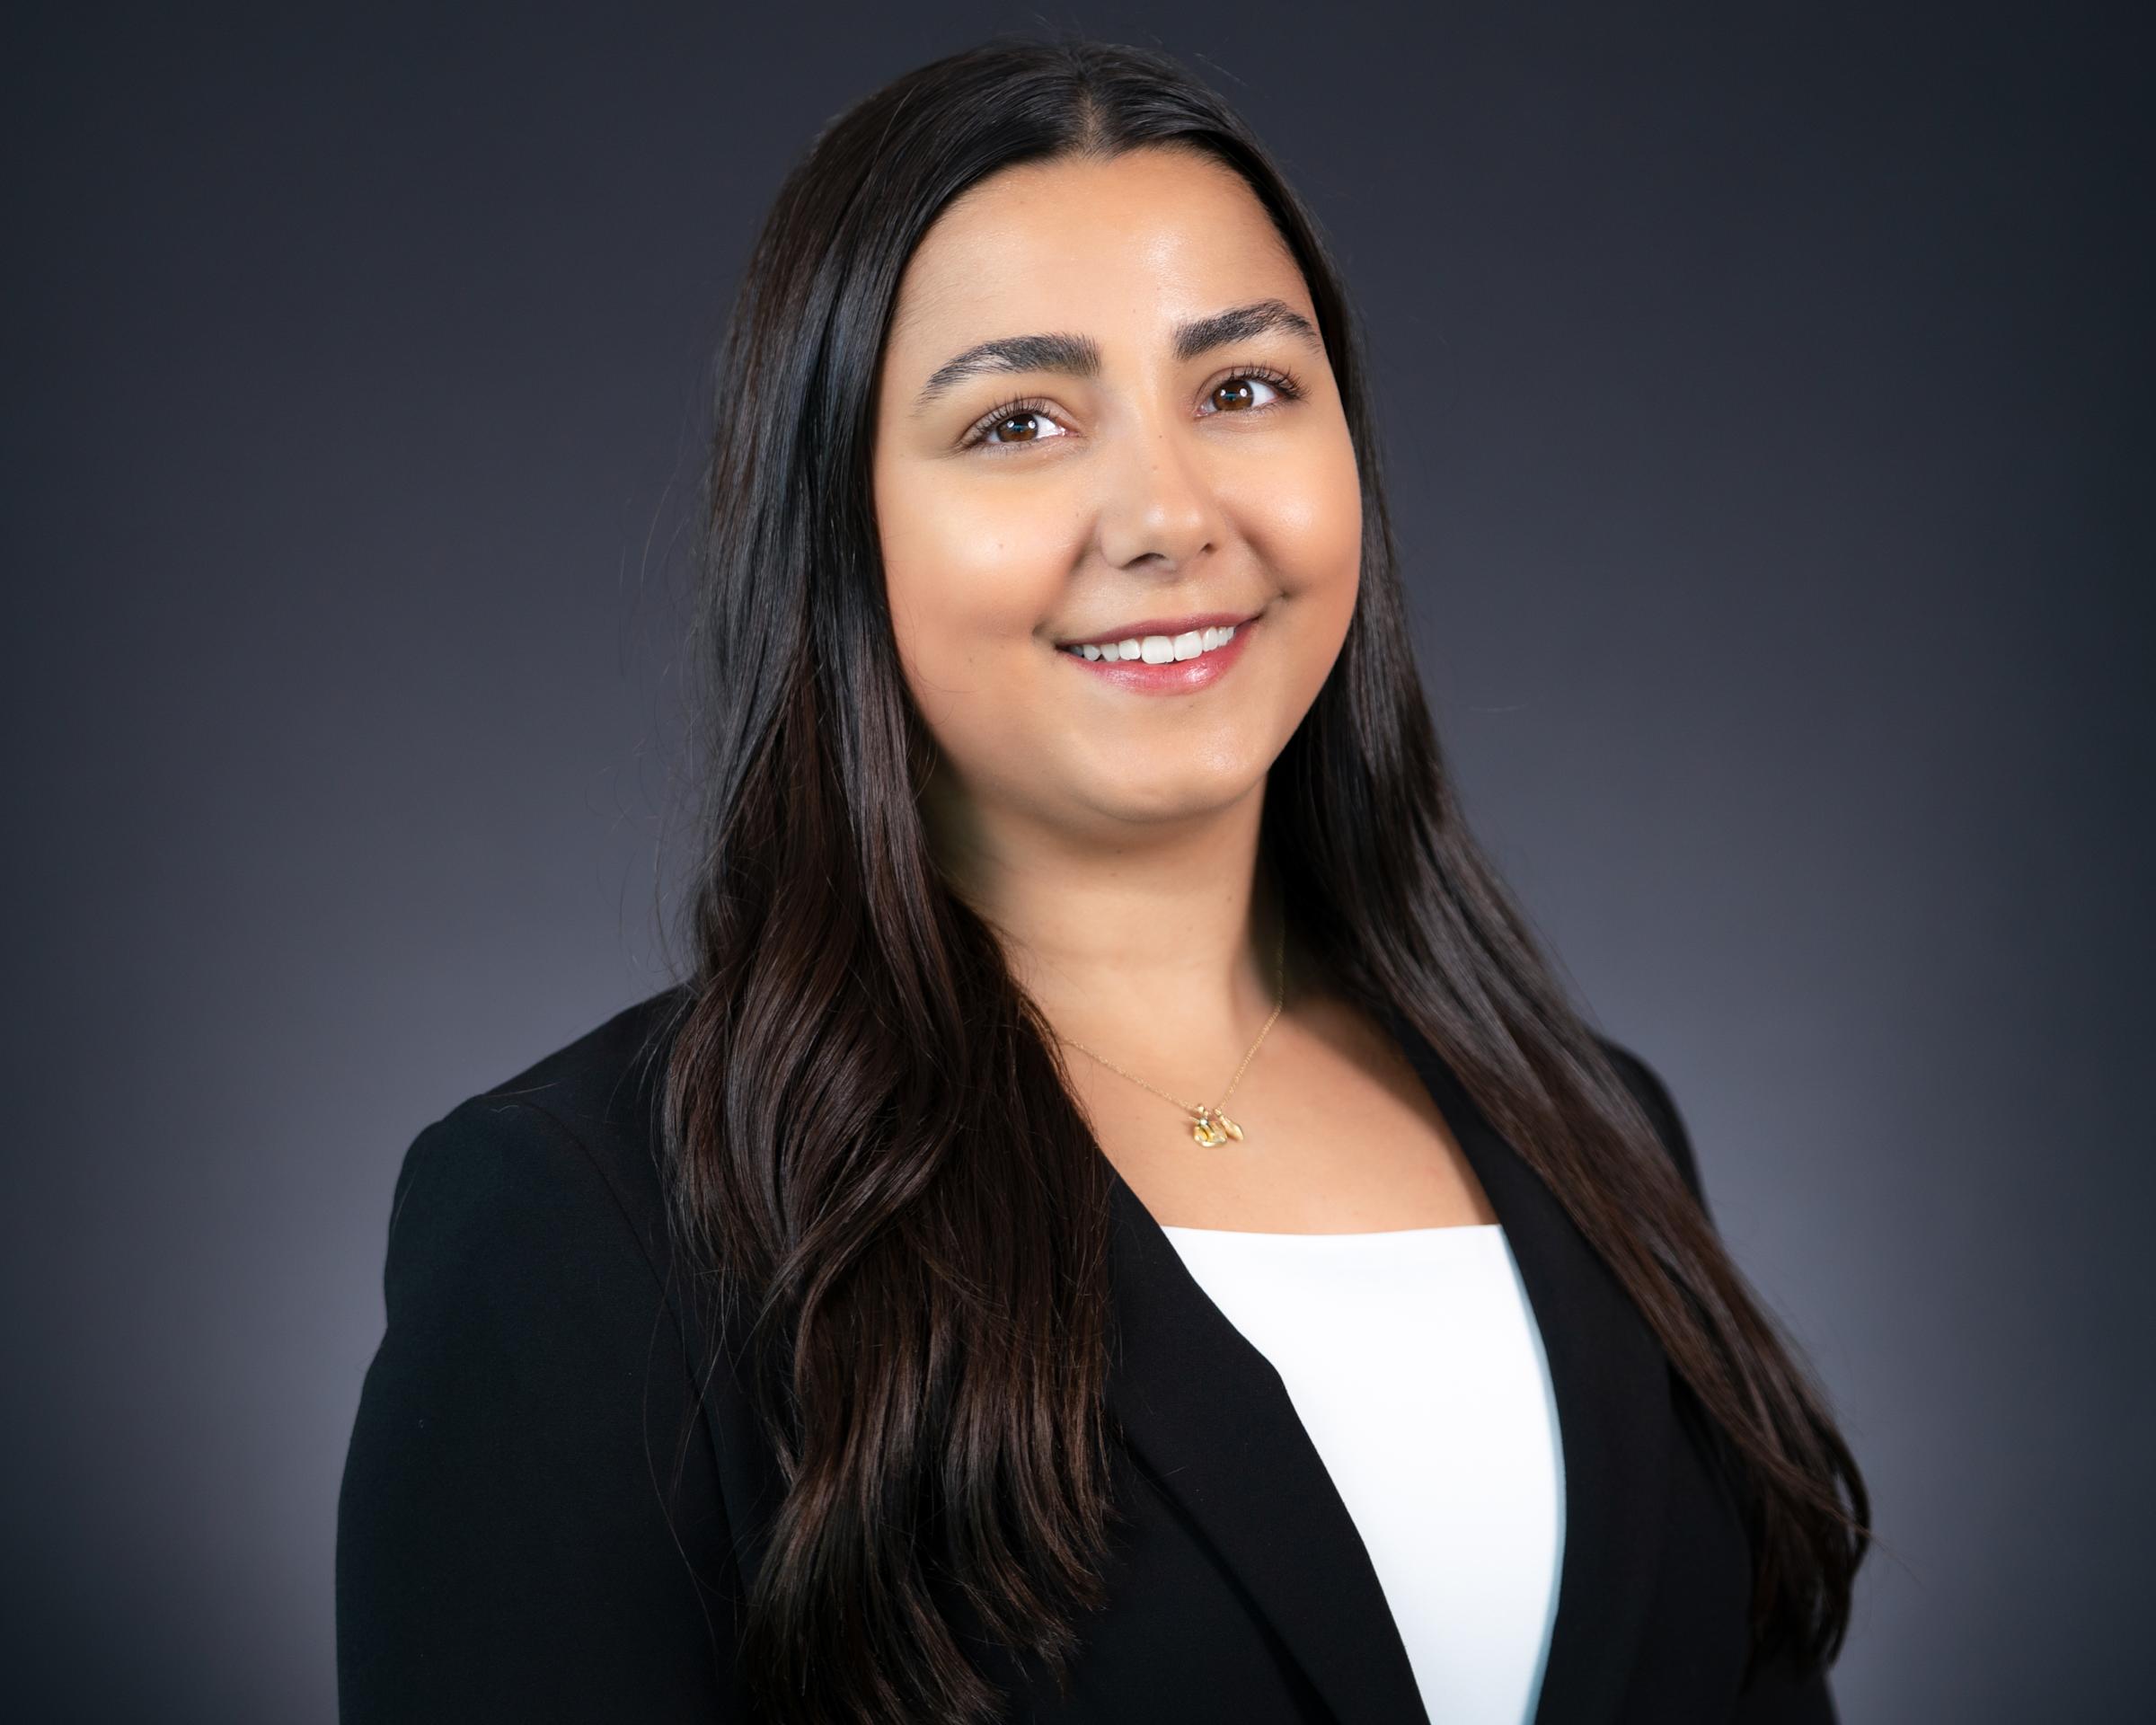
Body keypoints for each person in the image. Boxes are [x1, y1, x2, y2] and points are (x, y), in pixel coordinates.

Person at [336, 34, 1870, 1725]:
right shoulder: (594, 1228)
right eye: (1018, 421)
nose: (1167, 511)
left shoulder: (1604, 1139)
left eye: (1243, 388)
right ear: (839, 527)